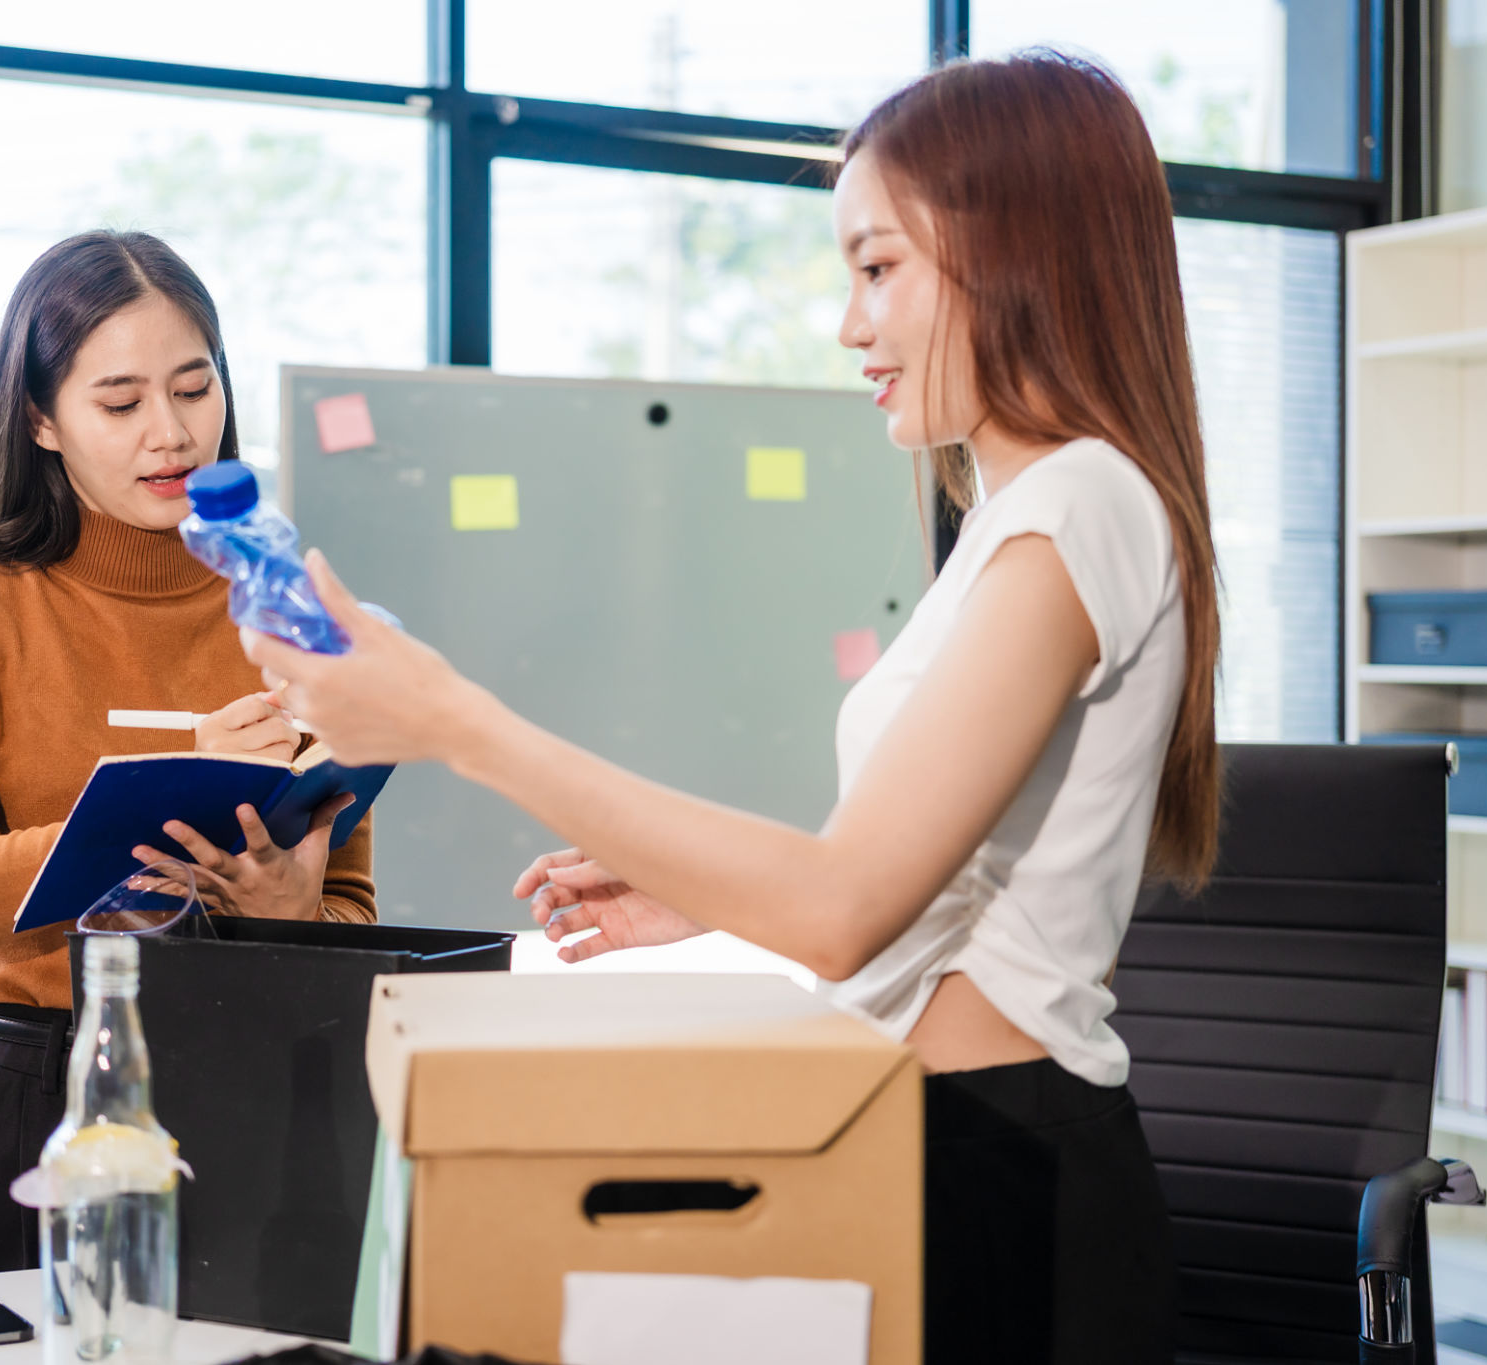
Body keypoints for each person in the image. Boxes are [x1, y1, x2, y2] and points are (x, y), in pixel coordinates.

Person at [242, 52, 1211, 1364]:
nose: (850, 325)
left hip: (1011, 1180)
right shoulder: (1010, 520)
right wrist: (703, 895)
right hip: (933, 1141)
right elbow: (929, 871)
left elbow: (842, 900)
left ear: (1015, 248)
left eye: (879, 269)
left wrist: (459, 722)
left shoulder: (1083, 502)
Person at [0, 229, 375, 1278]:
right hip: (42, 1095)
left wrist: (284, 908)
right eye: (119, 403)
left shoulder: (285, 607)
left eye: (195, 390)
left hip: (259, 1081)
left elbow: (350, 916)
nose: (171, 433)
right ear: (40, 420)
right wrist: (147, 811)